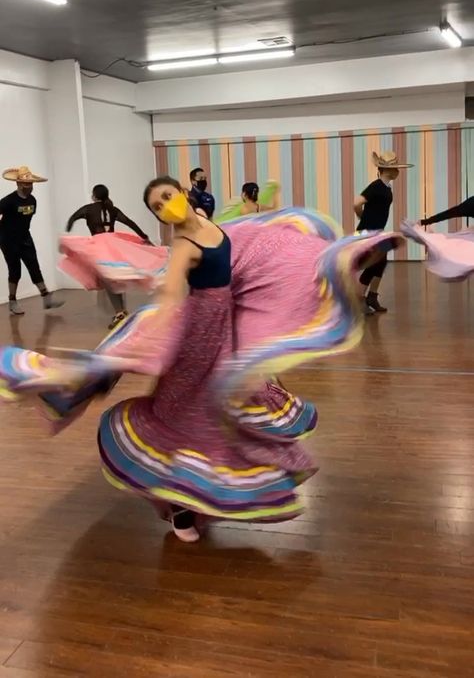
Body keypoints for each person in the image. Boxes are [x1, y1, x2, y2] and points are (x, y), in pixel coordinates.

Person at [0, 187, 404, 545]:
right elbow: (176, 289)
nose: (164, 207)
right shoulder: (183, 245)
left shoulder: (213, 226)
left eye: (166, 197)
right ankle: (180, 508)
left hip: (224, 329)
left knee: (232, 408)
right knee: (186, 414)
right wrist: (160, 311)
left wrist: (343, 251)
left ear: (184, 195)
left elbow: (254, 240)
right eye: (157, 206)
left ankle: (205, 496)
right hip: (193, 336)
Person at [66, 184, 152, 330]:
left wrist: (68, 230)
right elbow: (129, 222)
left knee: (108, 280)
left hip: (99, 246)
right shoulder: (113, 209)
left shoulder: (88, 209)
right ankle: (121, 311)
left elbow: (73, 218)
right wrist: (144, 237)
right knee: (113, 277)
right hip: (113, 245)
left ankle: (119, 313)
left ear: (94, 196)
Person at [354, 151, 413, 314]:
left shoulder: (386, 187)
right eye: (396, 168)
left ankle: (372, 296)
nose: (398, 171)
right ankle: (359, 300)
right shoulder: (376, 186)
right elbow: (356, 202)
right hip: (368, 233)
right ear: (388, 170)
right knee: (373, 265)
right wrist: (362, 217)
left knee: (381, 262)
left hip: (378, 232)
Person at [0, 165, 63, 315]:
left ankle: (46, 297)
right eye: (27, 184)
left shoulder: (33, 200)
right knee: (15, 270)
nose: (30, 187)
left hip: (25, 238)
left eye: (31, 184)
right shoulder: (8, 201)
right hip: (8, 240)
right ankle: (12, 301)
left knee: (34, 265)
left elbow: (25, 221)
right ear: (19, 184)